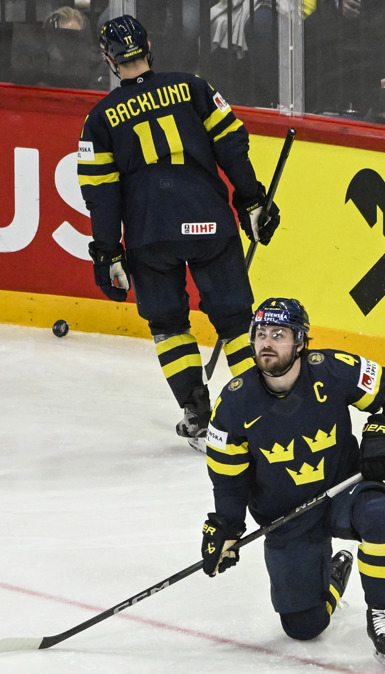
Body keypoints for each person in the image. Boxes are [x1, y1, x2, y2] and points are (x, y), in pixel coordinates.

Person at [77, 15, 281, 451]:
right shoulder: (193, 87)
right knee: (235, 322)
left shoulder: (98, 120)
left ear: (108, 59)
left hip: (152, 235)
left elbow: (102, 195)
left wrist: (108, 252)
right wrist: (252, 199)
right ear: (148, 46)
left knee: (169, 326)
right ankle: (258, 409)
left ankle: (196, 412)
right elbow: (232, 145)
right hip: (208, 221)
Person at [200, 298, 385, 663]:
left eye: (279, 334)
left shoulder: (334, 370)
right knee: (303, 627)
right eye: (261, 334)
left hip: (344, 489)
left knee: (380, 513)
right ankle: (333, 575)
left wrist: (383, 432)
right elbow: (228, 477)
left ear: (300, 342)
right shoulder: (234, 404)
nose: (267, 342)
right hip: (287, 513)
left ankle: (381, 612)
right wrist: (226, 527)